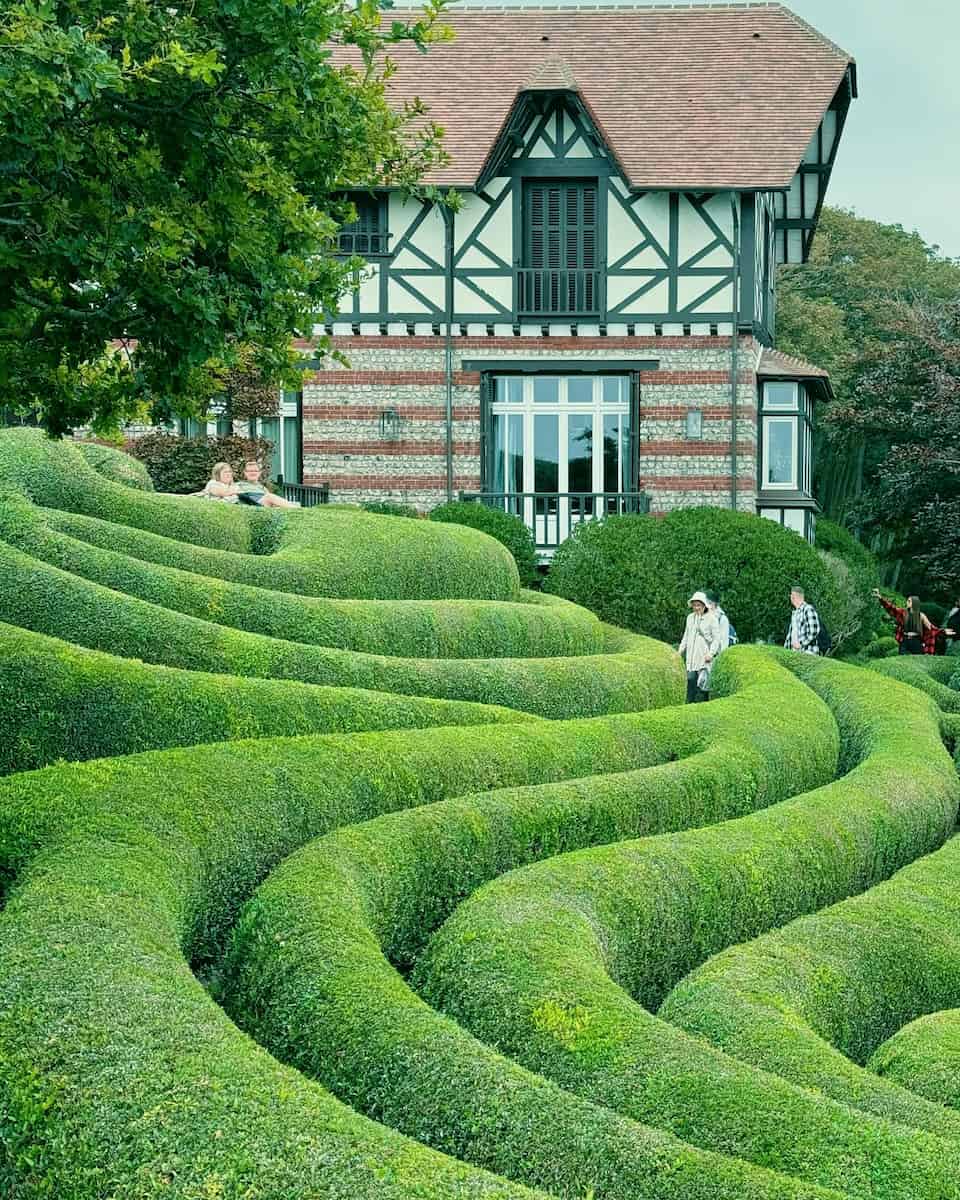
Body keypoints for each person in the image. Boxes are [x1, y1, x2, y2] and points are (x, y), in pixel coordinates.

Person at [872, 589, 952, 655]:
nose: (907, 602)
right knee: (901, 658)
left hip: (916, 641)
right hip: (904, 640)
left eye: (909, 601)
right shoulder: (903, 613)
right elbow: (891, 608)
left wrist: (943, 631)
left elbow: (931, 628)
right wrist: (880, 597)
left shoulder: (921, 616)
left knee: (917, 658)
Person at [679, 591, 721, 703]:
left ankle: (703, 706)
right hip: (691, 659)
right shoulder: (690, 618)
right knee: (690, 682)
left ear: (704, 605)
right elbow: (686, 636)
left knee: (703, 686)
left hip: (704, 658)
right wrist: (679, 652)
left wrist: (711, 654)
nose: (696, 608)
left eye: (698, 605)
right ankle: (689, 707)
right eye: (694, 605)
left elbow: (717, 639)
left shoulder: (712, 619)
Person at [205, 459, 300, 508]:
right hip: (243, 506)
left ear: (259, 473)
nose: (229, 474)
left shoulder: (232, 485)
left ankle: (296, 510)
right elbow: (224, 492)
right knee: (269, 497)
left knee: (273, 502)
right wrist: (235, 490)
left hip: (249, 504)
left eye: (230, 472)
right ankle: (299, 510)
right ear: (218, 474)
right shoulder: (214, 483)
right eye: (226, 472)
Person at [784, 585, 821, 654]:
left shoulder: (808, 609)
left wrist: (801, 643)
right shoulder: (795, 613)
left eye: (791, 595)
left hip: (808, 652)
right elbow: (791, 635)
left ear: (793, 596)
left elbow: (814, 631)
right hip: (795, 653)